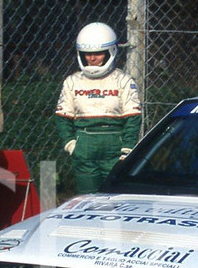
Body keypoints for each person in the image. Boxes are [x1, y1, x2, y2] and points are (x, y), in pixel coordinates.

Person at [54, 22, 142, 193]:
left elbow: (133, 119)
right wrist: (71, 145)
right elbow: (62, 117)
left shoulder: (123, 81)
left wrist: (127, 149)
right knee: (88, 197)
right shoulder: (72, 82)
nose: (92, 58)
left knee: (115, 195)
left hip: (115, 146)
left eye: (98, 53)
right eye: (87, 54)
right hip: (84, 146)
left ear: (110, 52)